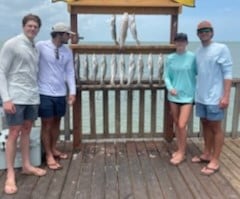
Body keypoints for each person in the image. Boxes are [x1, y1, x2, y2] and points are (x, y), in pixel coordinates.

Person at [0, 14, 47, 195]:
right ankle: (11, 173)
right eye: (29, 25)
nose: (32, 29)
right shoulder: (12, 44)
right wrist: (6, 98)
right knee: (13, 132)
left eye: (35, 26)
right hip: (15, 96)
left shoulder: (34, 47)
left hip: (31, 97)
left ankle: (27, 165)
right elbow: (2, 71)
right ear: (23, 26)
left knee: (27, 130)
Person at [192, 20, 233, 175]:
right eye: (201, 31)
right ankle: (207, 153)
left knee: (216, 128)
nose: (204, 33)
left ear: (212, 32)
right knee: (205, 125)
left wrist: (226, 96)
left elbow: (228, 73)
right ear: (197, 34)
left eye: (207, 30)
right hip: (201, 97)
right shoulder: (198, 51)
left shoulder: (221, 48)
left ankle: (215, 160)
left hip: (216, 98)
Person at [36, 22, 76, 170]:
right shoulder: (41, 46)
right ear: (59, 34)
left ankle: (53, 148)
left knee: (57, 123)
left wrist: (72, 92)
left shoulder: (67, 52)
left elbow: (70, 72)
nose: (69, 37)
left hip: (60, 93)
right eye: (67, 35)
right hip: (44, 92)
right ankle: (48, 155)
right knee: (46, 124)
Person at [164, 33, 197, 165]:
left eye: (183, 41)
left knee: (182, 124)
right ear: (175, 43)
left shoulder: (193, 57)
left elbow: (200, 72)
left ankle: (182, 154)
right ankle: (179, 149)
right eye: (178, 41)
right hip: (173, 96)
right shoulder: (170, 58)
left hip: (188, 96)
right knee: (177, 124)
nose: (180, 43)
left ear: (187, 43)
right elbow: (166, 76)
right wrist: (170, 87)